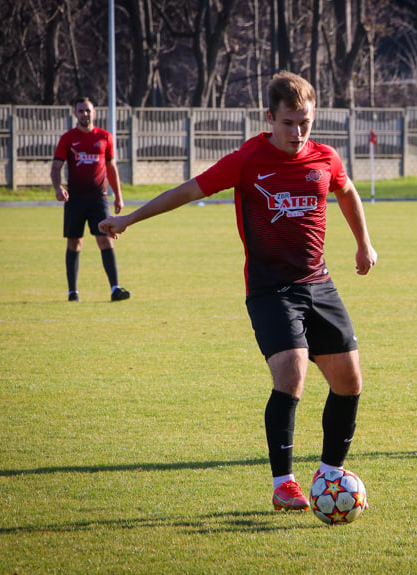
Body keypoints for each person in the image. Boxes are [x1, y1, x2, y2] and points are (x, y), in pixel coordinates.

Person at [99, 71, 377, 511]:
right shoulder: (248, 160)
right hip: (271, 290)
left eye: (305, 121)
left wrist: (363, 243)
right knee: (292, 374)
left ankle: (329, 473)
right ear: (271, 118)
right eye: (289, 122)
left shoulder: (325, 157)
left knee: (349, 381)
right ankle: (284, 483)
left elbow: (346, 191)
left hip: (318, 284)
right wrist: (128, 219)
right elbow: (188, 191)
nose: (298, 132)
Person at [51, 97, 130, 303]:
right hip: (75, 199)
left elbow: (112, 169)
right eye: (81, 111)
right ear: (75, 114)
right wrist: (58, 187)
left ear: (94, 113)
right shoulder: (68, 138)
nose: (85, 114)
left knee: (105, 239)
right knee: (74, 243)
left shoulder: (104, 137)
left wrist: (118, 196)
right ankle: (73, 293)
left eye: (88, 110)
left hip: (98, 199)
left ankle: (115, 289)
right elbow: (56, 167)